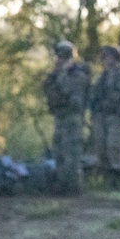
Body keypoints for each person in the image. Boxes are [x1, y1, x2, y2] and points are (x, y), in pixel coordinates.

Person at [42, 40, 90, 196]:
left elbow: (67, 90)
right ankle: (62, 185)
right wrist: (54, 74)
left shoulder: (78, 75)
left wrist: (62, 73)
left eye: (62, 57)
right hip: (60, 117)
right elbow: (47, 88)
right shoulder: (57, 74)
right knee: (59, 152)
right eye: (58, 57)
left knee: (72, 153)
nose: (59, 60)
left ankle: (74, 187)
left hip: (72, 117)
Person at [89, 45, 120, 186]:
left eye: (110, 57)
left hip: (116, 116)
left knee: (114, 147)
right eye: (105, 57)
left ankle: (117, 180)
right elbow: (94, 96)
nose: (107, 60)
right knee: (100, 147)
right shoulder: (101, 77)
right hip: (101, 117)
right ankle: (105, 180)